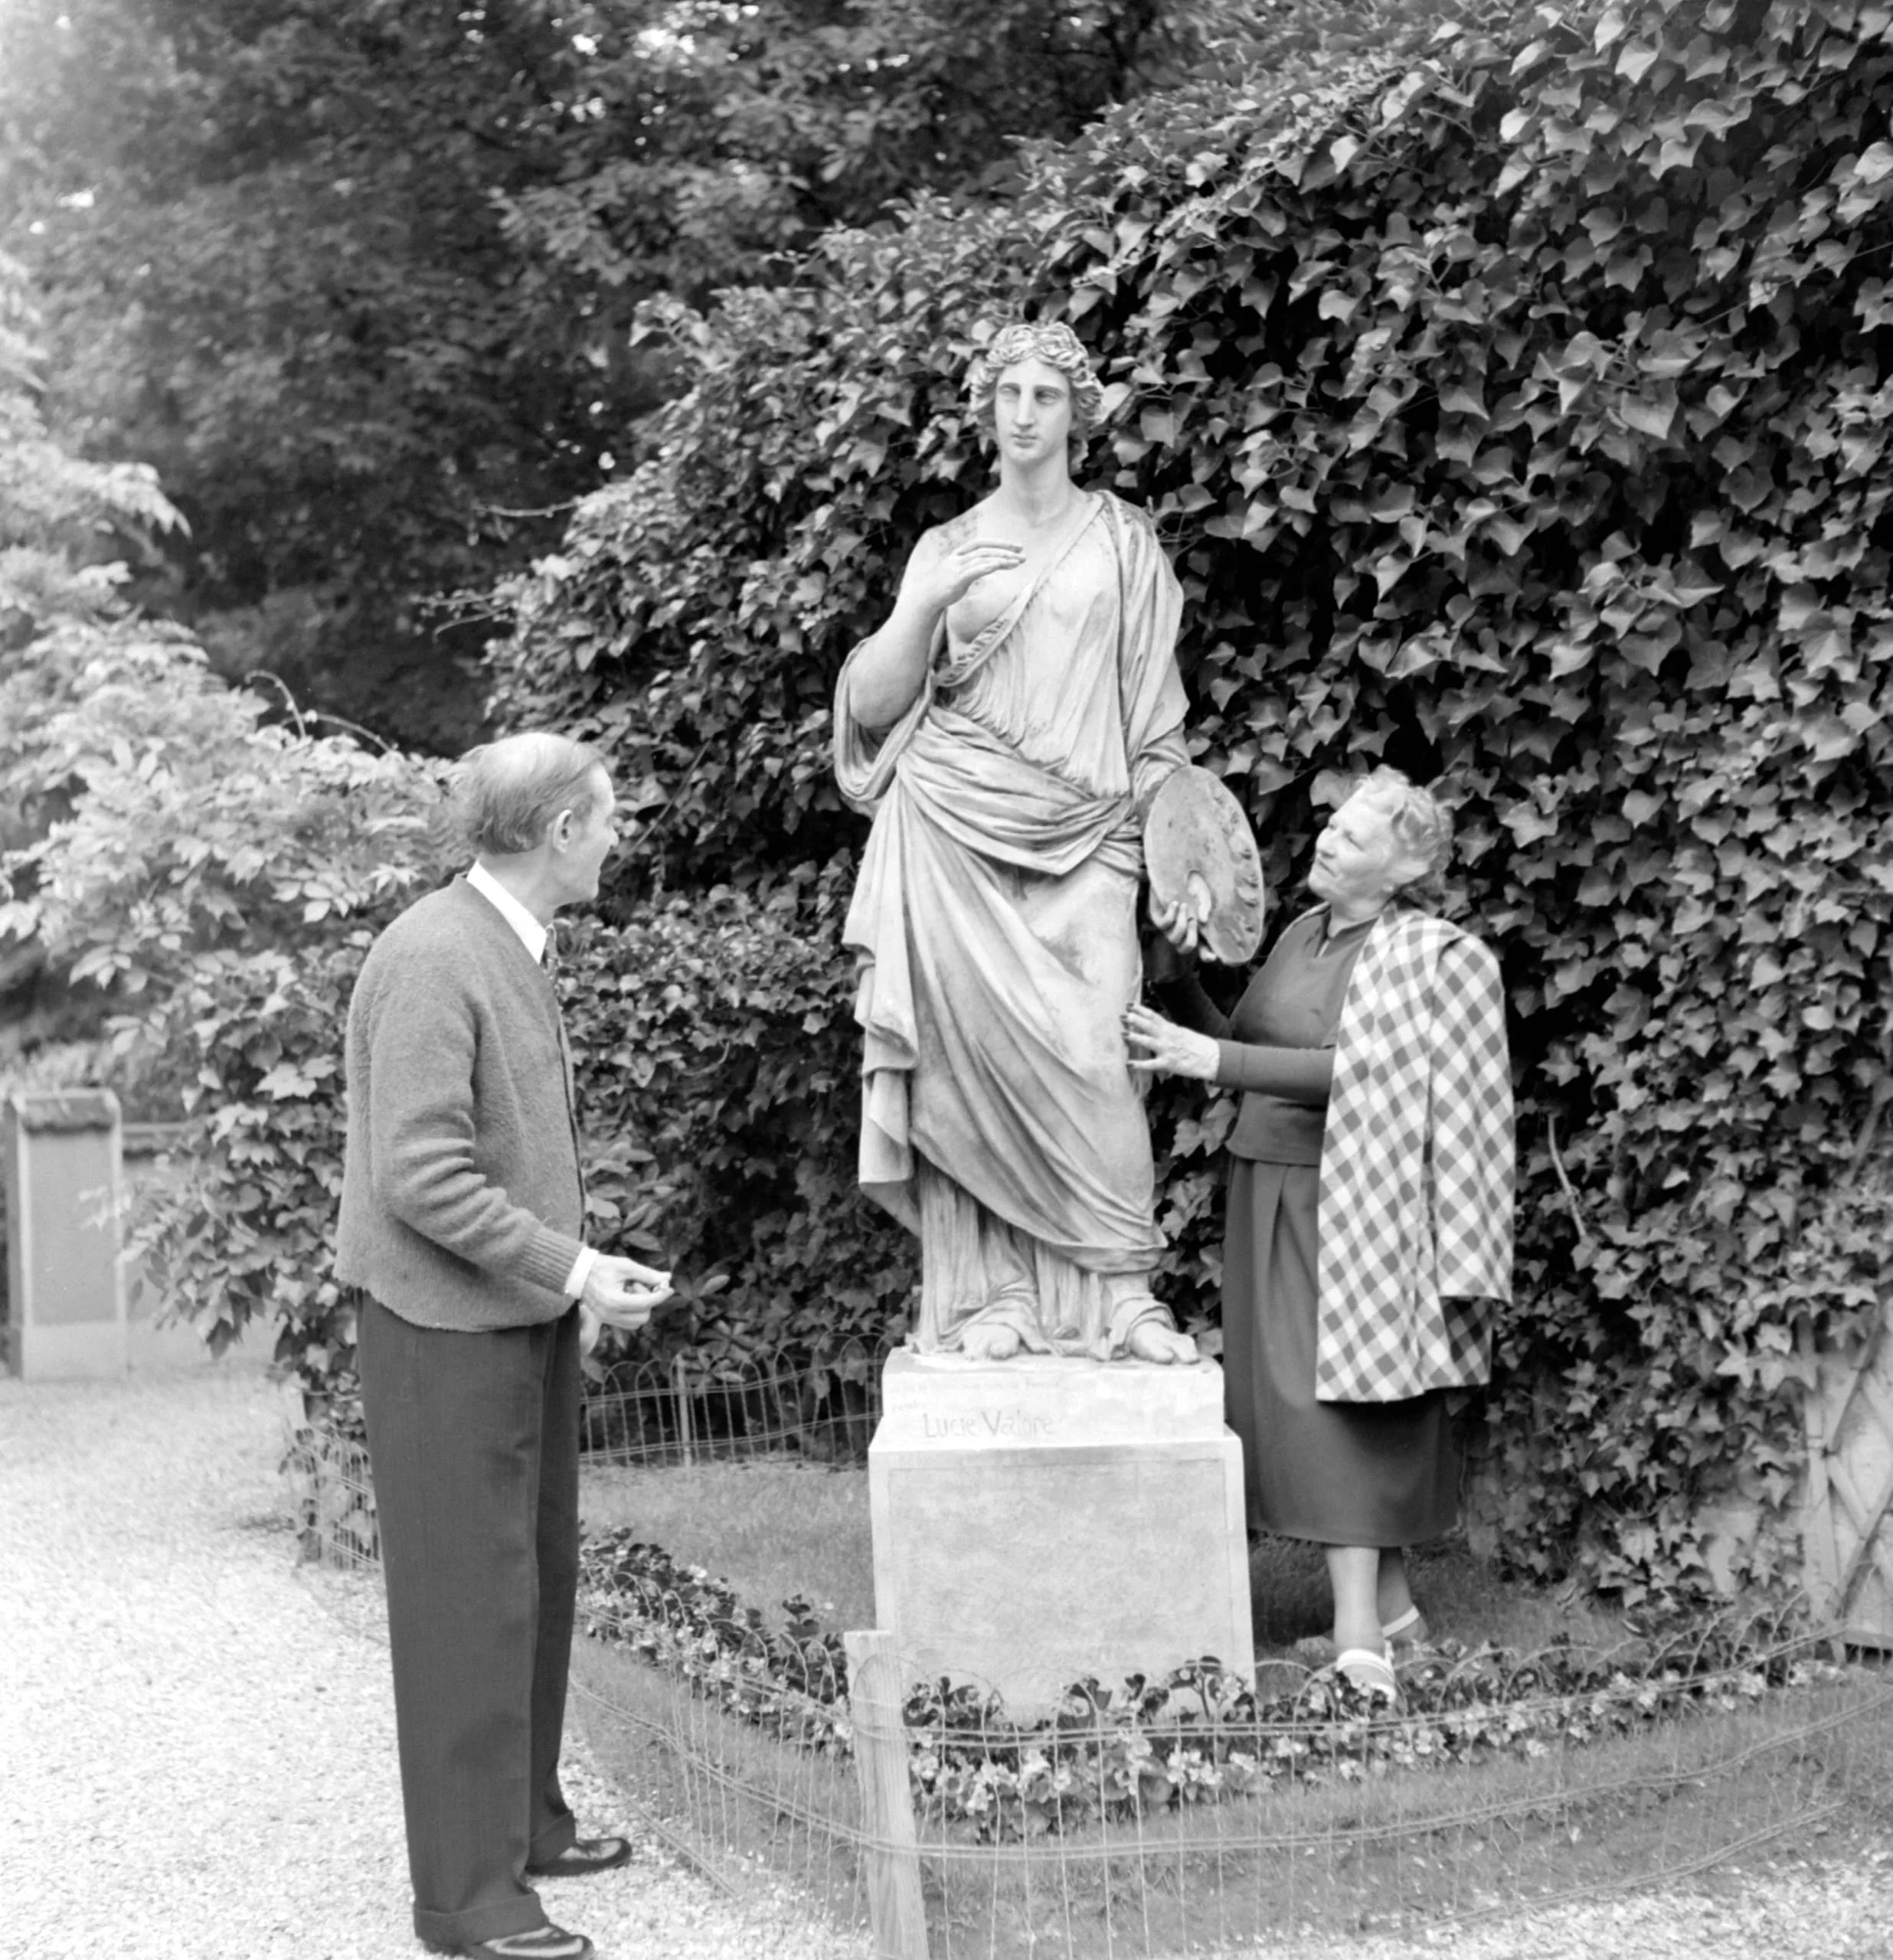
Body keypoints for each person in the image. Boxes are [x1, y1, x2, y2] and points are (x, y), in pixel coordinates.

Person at [336, 732, 673, 1960]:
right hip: (440, 1336)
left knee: (529, 1586)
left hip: (510, 1322)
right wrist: (574, 1268)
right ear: (557, 831)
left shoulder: (509, 942)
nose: (622, 834)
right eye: (609, 815)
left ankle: (526, 1826)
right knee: (464, 1611)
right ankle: (470, 1902)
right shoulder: (436, 954)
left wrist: (565, 1284)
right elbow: (420, 1176)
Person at [833, 319, 1198, 1365]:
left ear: (1079, 414)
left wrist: (1175, 855)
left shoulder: (1123, 543)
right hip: (951, 822)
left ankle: (1124, 1293)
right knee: (963, 1071)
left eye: (1046, 395)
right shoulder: (945, 548)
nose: (1025, 414)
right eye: (1009, 394)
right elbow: (872, 707)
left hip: (1089, 832)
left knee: (1095, 1054)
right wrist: (922, 606)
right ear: (987, 410)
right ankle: (993, 1295)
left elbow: (1155, 727)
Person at [1124, 767, 1513, 1699]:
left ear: (1403, 869)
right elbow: (1244, 1037)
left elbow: (1363, 1071)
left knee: (1339, 1406)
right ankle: (1399, 1615)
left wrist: (1213, 1059)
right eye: (1333, 824)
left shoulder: (1421, 952)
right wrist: (1176, 970)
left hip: (1353, 1203)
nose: (1330, 839)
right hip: (1266, 1183)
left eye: (1355, 835)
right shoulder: (1306, 933)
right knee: (1293, 1401)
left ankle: (1359, 1646)